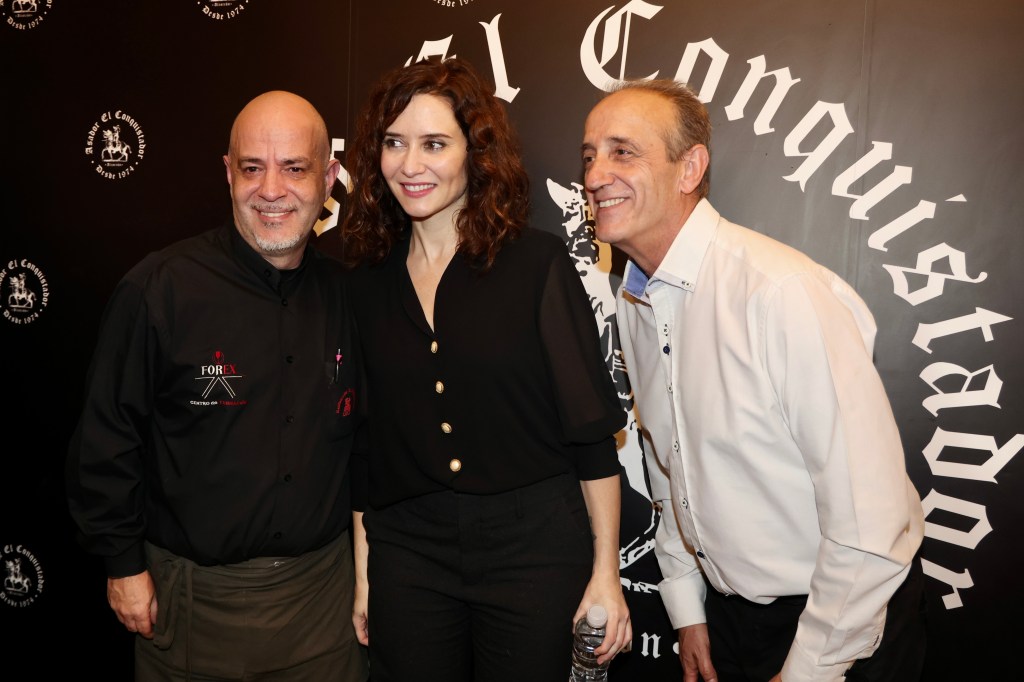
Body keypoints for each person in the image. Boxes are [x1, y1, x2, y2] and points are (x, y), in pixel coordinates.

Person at [581, 79, 926, 682]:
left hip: (844, 626)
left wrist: (809, 668)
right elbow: (670, 467)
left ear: (690, 168)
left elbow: (870, 519)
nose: (594, 176)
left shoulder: (779, 292)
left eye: (622, 152)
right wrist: (688, 608)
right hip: (732, 624)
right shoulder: (637, 303)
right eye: (589, 156)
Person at [341, 57, 631, 682]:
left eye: (434, 144)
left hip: (532, 551)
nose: (410, 164)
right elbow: (366, 447)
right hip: (409, 553)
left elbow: (591, 438)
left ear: (475, 153)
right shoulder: (364, 282)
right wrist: (365, 576)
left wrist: (606, 573)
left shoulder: (536, 265)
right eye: (394, 143)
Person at [66, 90, 369, 681]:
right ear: (228, 173)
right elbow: (107, 438)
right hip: (191, 608)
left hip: (323, 607)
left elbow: (369, 446)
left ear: (329, 179)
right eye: (252, 168)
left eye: (295, 168)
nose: (271, 189)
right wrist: (122, 565)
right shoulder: (160, 290)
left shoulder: (350, 297)